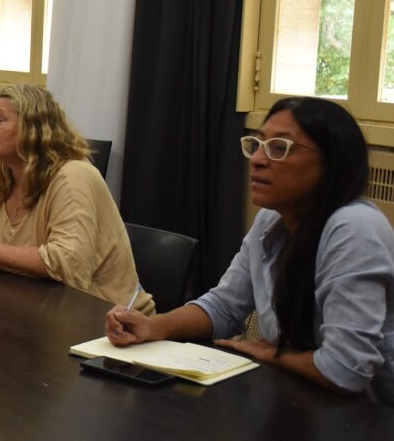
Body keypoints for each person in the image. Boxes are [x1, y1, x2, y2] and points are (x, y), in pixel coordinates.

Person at [106, 97, 394, 406]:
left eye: (279, 148)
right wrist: (154, 326)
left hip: (371, 418)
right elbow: (224, 307)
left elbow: (345, 371)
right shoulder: (271, 218)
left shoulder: (354, 228)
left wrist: (273, 353)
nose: (257, 159)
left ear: (331, 163)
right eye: (257, 145)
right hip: (301, 398)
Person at [0, 85, 151, 312]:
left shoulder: (74, 176)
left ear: (33, 128)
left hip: (105, 319)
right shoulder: (2, 171)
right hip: (29, 306)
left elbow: (67, 263)